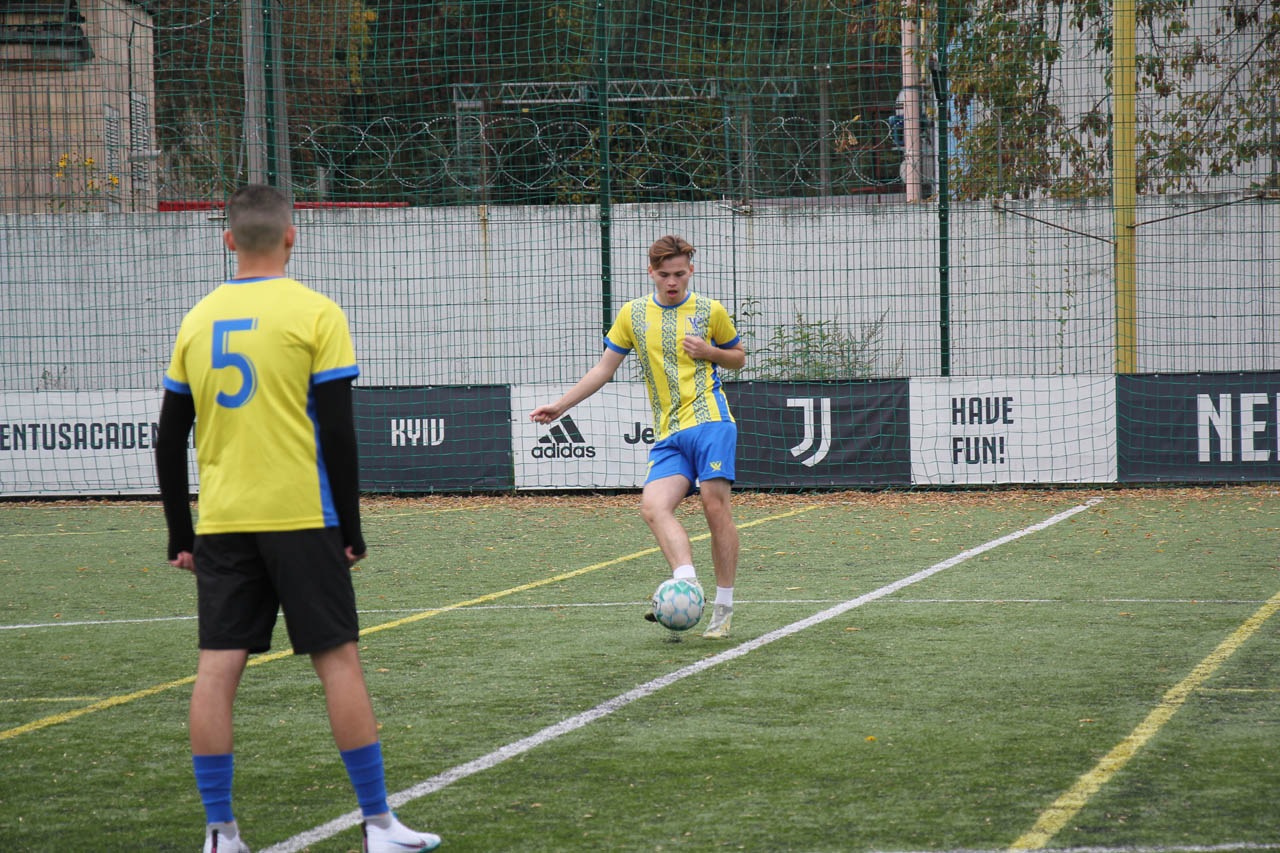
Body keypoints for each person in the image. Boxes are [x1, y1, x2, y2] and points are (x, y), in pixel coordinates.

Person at [154, 184, 440, 853]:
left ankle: (220, 833)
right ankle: (378, 825)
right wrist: (352, 527)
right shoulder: (316, 312)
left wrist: (180, 532)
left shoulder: (197, 319)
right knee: (337, 661)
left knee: (216, 669)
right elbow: (338, 432)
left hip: (224, 521)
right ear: (292, 236)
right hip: (303, 516)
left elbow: (169, 439)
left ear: (229, 240)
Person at [529, 234, 746, 639]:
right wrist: (561, 406)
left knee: (714, 508)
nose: (672, 282)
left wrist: (711, 352)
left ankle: (724, 608)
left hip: (711, 422)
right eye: (664, 275)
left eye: (679, 274)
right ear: (651, 272)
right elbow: (603, 369)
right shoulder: (633, 314)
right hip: (669, 433)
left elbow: (738, 357)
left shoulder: (709, 310)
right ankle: (687, 584)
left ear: (691, 271)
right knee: (653, 507)